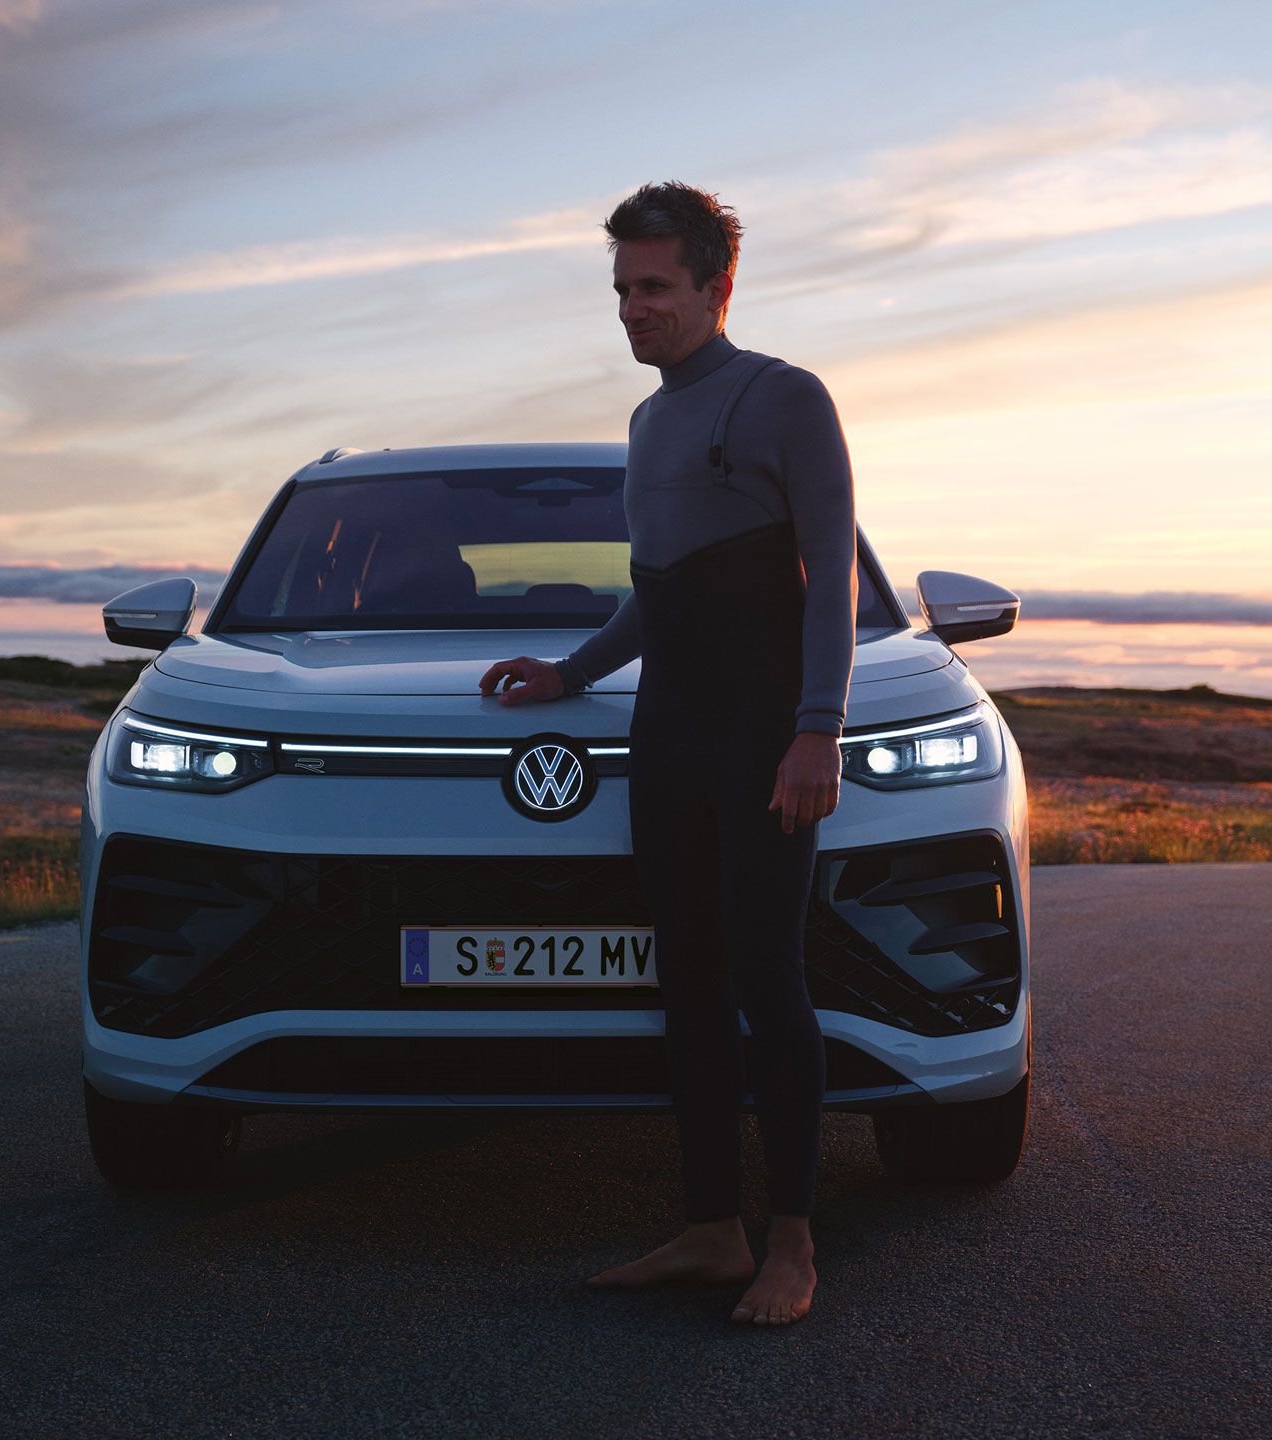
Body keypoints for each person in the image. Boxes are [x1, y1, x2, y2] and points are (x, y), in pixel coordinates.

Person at [477, 181, 857, 1327]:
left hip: (760, 735)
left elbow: (829, 574)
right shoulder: (647, 425)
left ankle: (791, 1240)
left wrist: (816, 731)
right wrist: (572, 675)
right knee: (685, 980)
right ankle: (709, 1228)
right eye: (622, 291)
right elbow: (658, 596)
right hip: (670, 735)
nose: (634, 311)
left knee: (767, 978)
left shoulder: (784, 397)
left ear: (716, 286)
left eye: (655, 288)